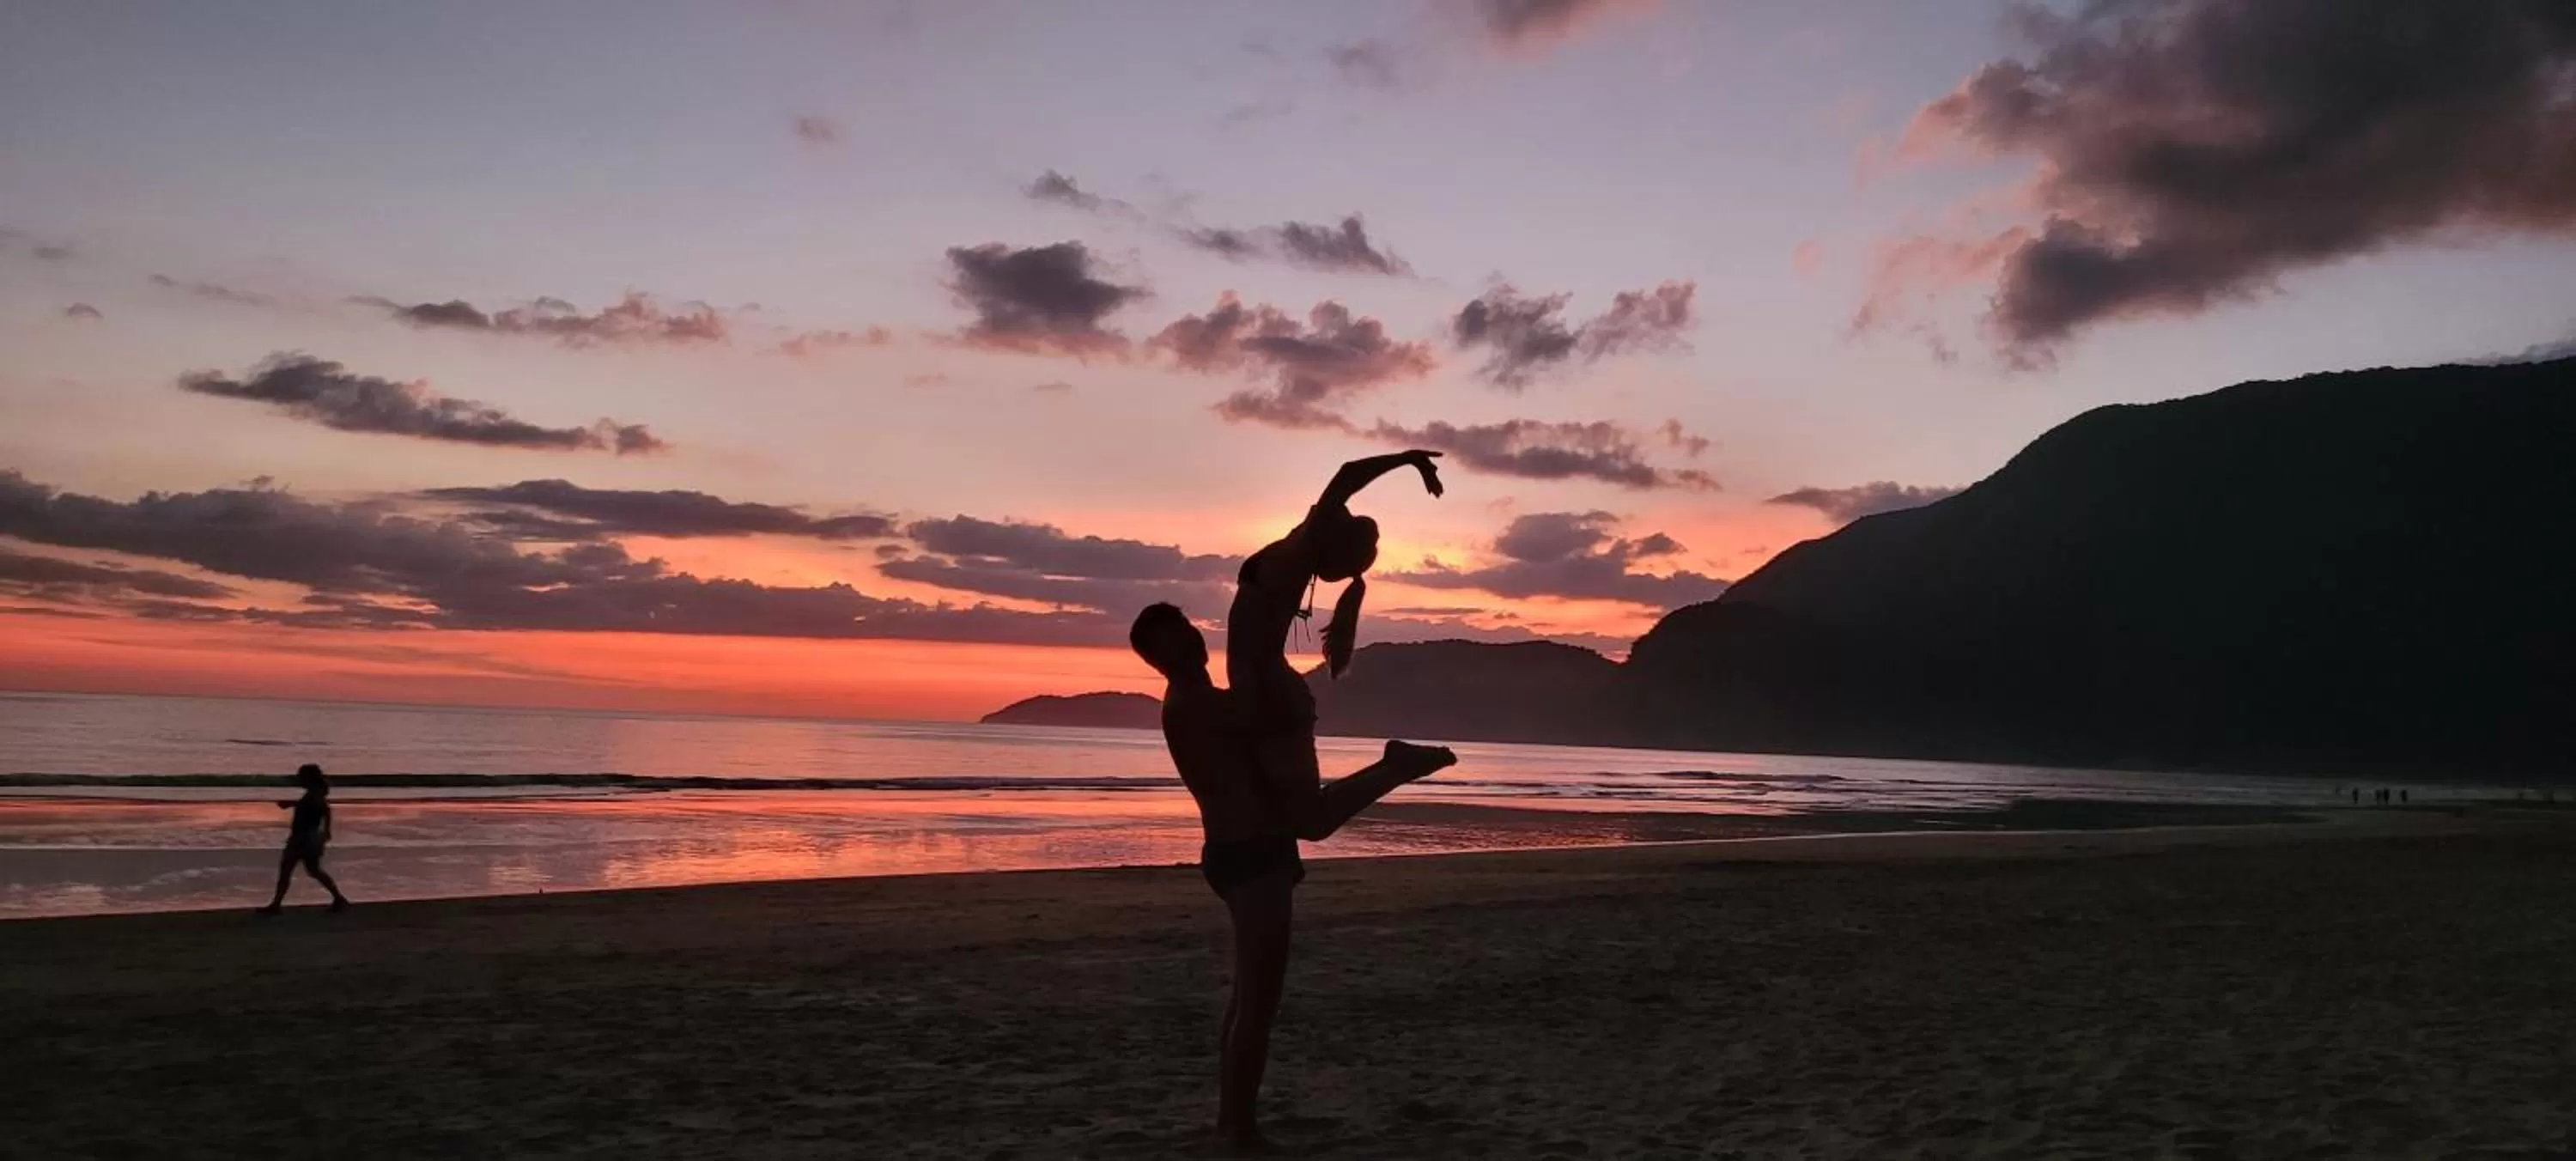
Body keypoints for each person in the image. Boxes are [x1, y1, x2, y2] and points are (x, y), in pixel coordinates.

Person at [1131, 604, 1454, 1154]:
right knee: (1257, 1003)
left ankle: (1233, 1120)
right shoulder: (1191, 705)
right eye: (1173, 646)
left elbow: (1259, 721)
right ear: (1157, 661)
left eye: (1186, 634)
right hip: (1248, 856)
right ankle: (1238, 1128)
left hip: (1254, 849)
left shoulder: (1206, 701)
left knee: (1247, 999)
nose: (1187, 646)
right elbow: (1262, 716)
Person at [258, 763, 349, 914]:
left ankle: (276, 905)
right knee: (313, 870)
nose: (299, 779)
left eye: (301, 776)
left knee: (288, 868)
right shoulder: (316, 793)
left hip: (304, 837)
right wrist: (326, 830)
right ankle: (338, 898)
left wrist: (291, 804)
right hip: (308, 836)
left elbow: (323, 809)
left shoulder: (314, 794)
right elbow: (323, 809)